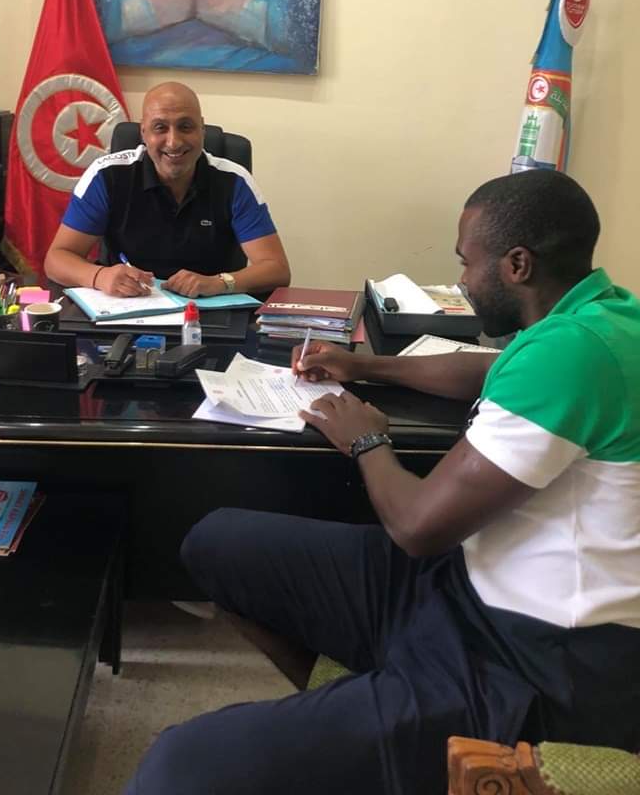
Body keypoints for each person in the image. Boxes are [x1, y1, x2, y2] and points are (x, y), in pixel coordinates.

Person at [123, 170, 640, 795]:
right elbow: (492, 367)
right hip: (467, 583)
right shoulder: (599, 319)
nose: (462, 281)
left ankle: (385, 727)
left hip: (530, 659)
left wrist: (366, 440)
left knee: (179, 766)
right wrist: (363, 365)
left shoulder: (573, 353)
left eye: (467, 263)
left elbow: (418, 528)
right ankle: (367, 721)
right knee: (216, 542)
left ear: (517, 265)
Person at [44, 82, 291, 298]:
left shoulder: (234, 180)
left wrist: (218, 283)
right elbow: (56, 259)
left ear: (202, 130)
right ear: (143, 133)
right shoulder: (107, 175)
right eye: (160, 128)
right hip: (126, 309)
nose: (174, 142)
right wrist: (99, 276)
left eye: (186, 127)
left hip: (210, 313)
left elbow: (276, 269)